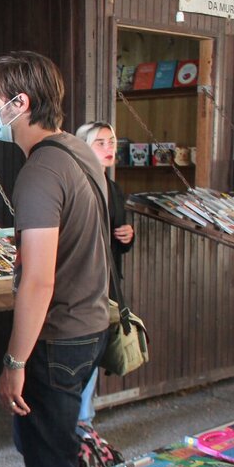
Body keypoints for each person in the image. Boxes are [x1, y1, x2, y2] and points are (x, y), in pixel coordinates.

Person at [0, 51, 110, 467]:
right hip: (91, 323)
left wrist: (14, 363)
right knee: (57, 449)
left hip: (57, 336)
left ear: (20, 103)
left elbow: (39, 279)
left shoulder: (39, 170)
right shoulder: (77, 149)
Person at [74, 121, 135, 430]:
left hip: (107, 284)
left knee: (97, 350)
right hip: (80, 285)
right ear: (83, 146)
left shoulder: (113, 188)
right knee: (81, 351)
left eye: (112, 142)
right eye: (101, 142)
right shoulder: (77, 184)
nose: (110, 148)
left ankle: (85, 419)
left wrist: (127, 235)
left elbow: (117, 243)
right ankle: (79, 420)